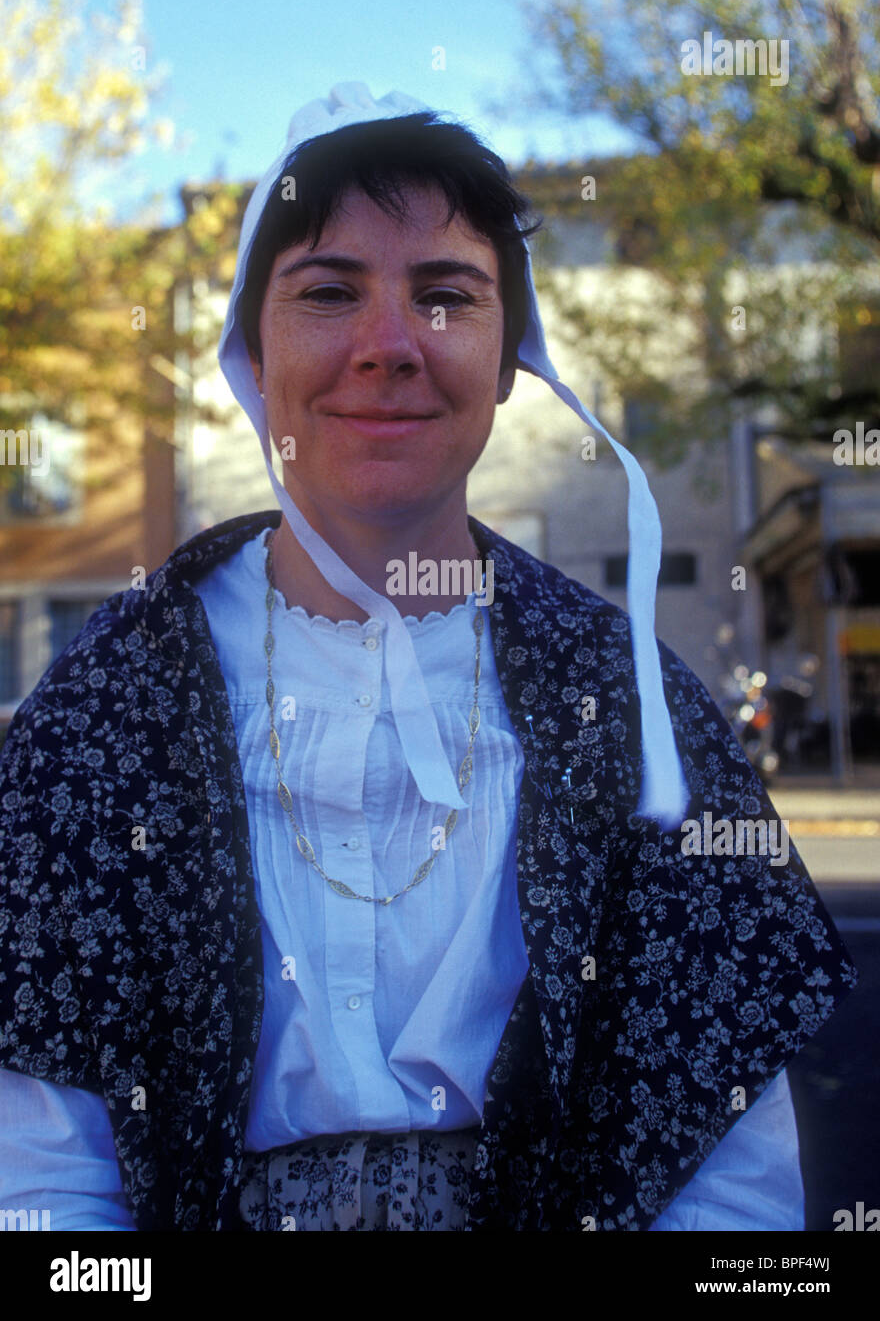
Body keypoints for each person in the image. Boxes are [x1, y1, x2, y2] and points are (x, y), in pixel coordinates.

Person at [0, 83, 856, 1231]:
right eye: (327, 293)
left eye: (446, 296)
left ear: (510, 360)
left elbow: (724, 1182)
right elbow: (44, 1183)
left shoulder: (628, 706)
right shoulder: (109, 703)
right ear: (254, 351)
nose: (389, 346)